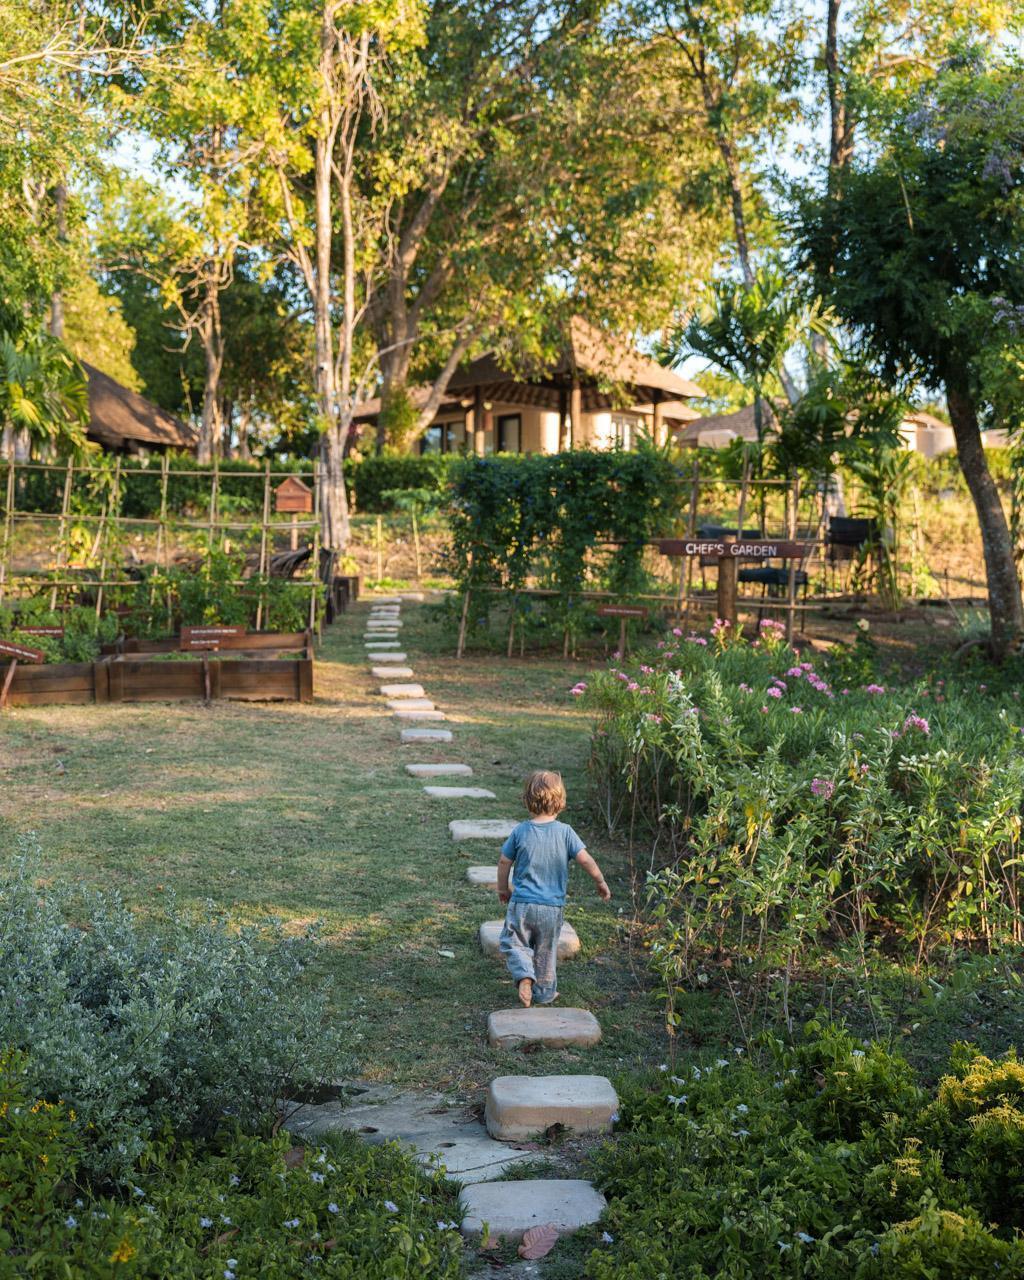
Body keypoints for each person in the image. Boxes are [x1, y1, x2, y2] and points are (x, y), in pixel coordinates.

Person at [496, 770, 611, 1008]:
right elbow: (586, 860)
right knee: (546, 952)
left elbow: (504, 862)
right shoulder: (566, 832)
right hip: (552, 908)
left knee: (513, 941)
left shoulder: (520, 831)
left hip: (523, 904)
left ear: (527, 801)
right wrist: (600, 881)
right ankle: (545, 993)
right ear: (561, 802)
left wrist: (502, 888)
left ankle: (525, 975)